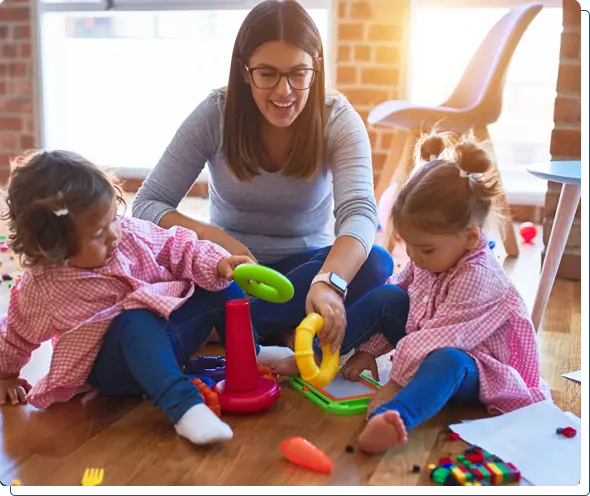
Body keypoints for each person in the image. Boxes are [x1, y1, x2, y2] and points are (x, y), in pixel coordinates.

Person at [132, 0, 393, 353]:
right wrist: (215, 237)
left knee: (377, 263)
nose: (284, 91)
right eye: (267, 74)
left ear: (315, 69)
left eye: (298, 74)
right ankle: (267, 326)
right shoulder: (215, 114)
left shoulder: (337, 119)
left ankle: (220, 325)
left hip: (305, 273)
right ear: (244, 71)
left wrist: (328, 281)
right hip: (227, 272)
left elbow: (360, 212)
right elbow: (147, 204)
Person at [0, 150, 292, 446]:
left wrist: (218, 263)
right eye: (98, 233)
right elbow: (17, 335)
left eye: (113, 218)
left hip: (169, 338)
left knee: (219, 283)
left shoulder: (128, 234)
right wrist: (5, 375)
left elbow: (179, 248)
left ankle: (250, 353)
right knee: (134, 319)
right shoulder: (44, 287)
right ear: (54, 246)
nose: (113, 234)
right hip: (116, 370)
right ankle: (185, 408)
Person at [339, 131, 551, 454]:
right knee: (388, 297)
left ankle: (392, 417)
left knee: (447, 360)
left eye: (423, 248)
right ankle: (311, 351)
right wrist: (368, 348)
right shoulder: (428, 258)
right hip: (428, 341)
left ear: (469, 238)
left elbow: (437, 339)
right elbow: (398, 295)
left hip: (477, 367)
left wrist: (394, 385)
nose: (413, 255)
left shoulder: (478, 277)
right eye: (406, 243)